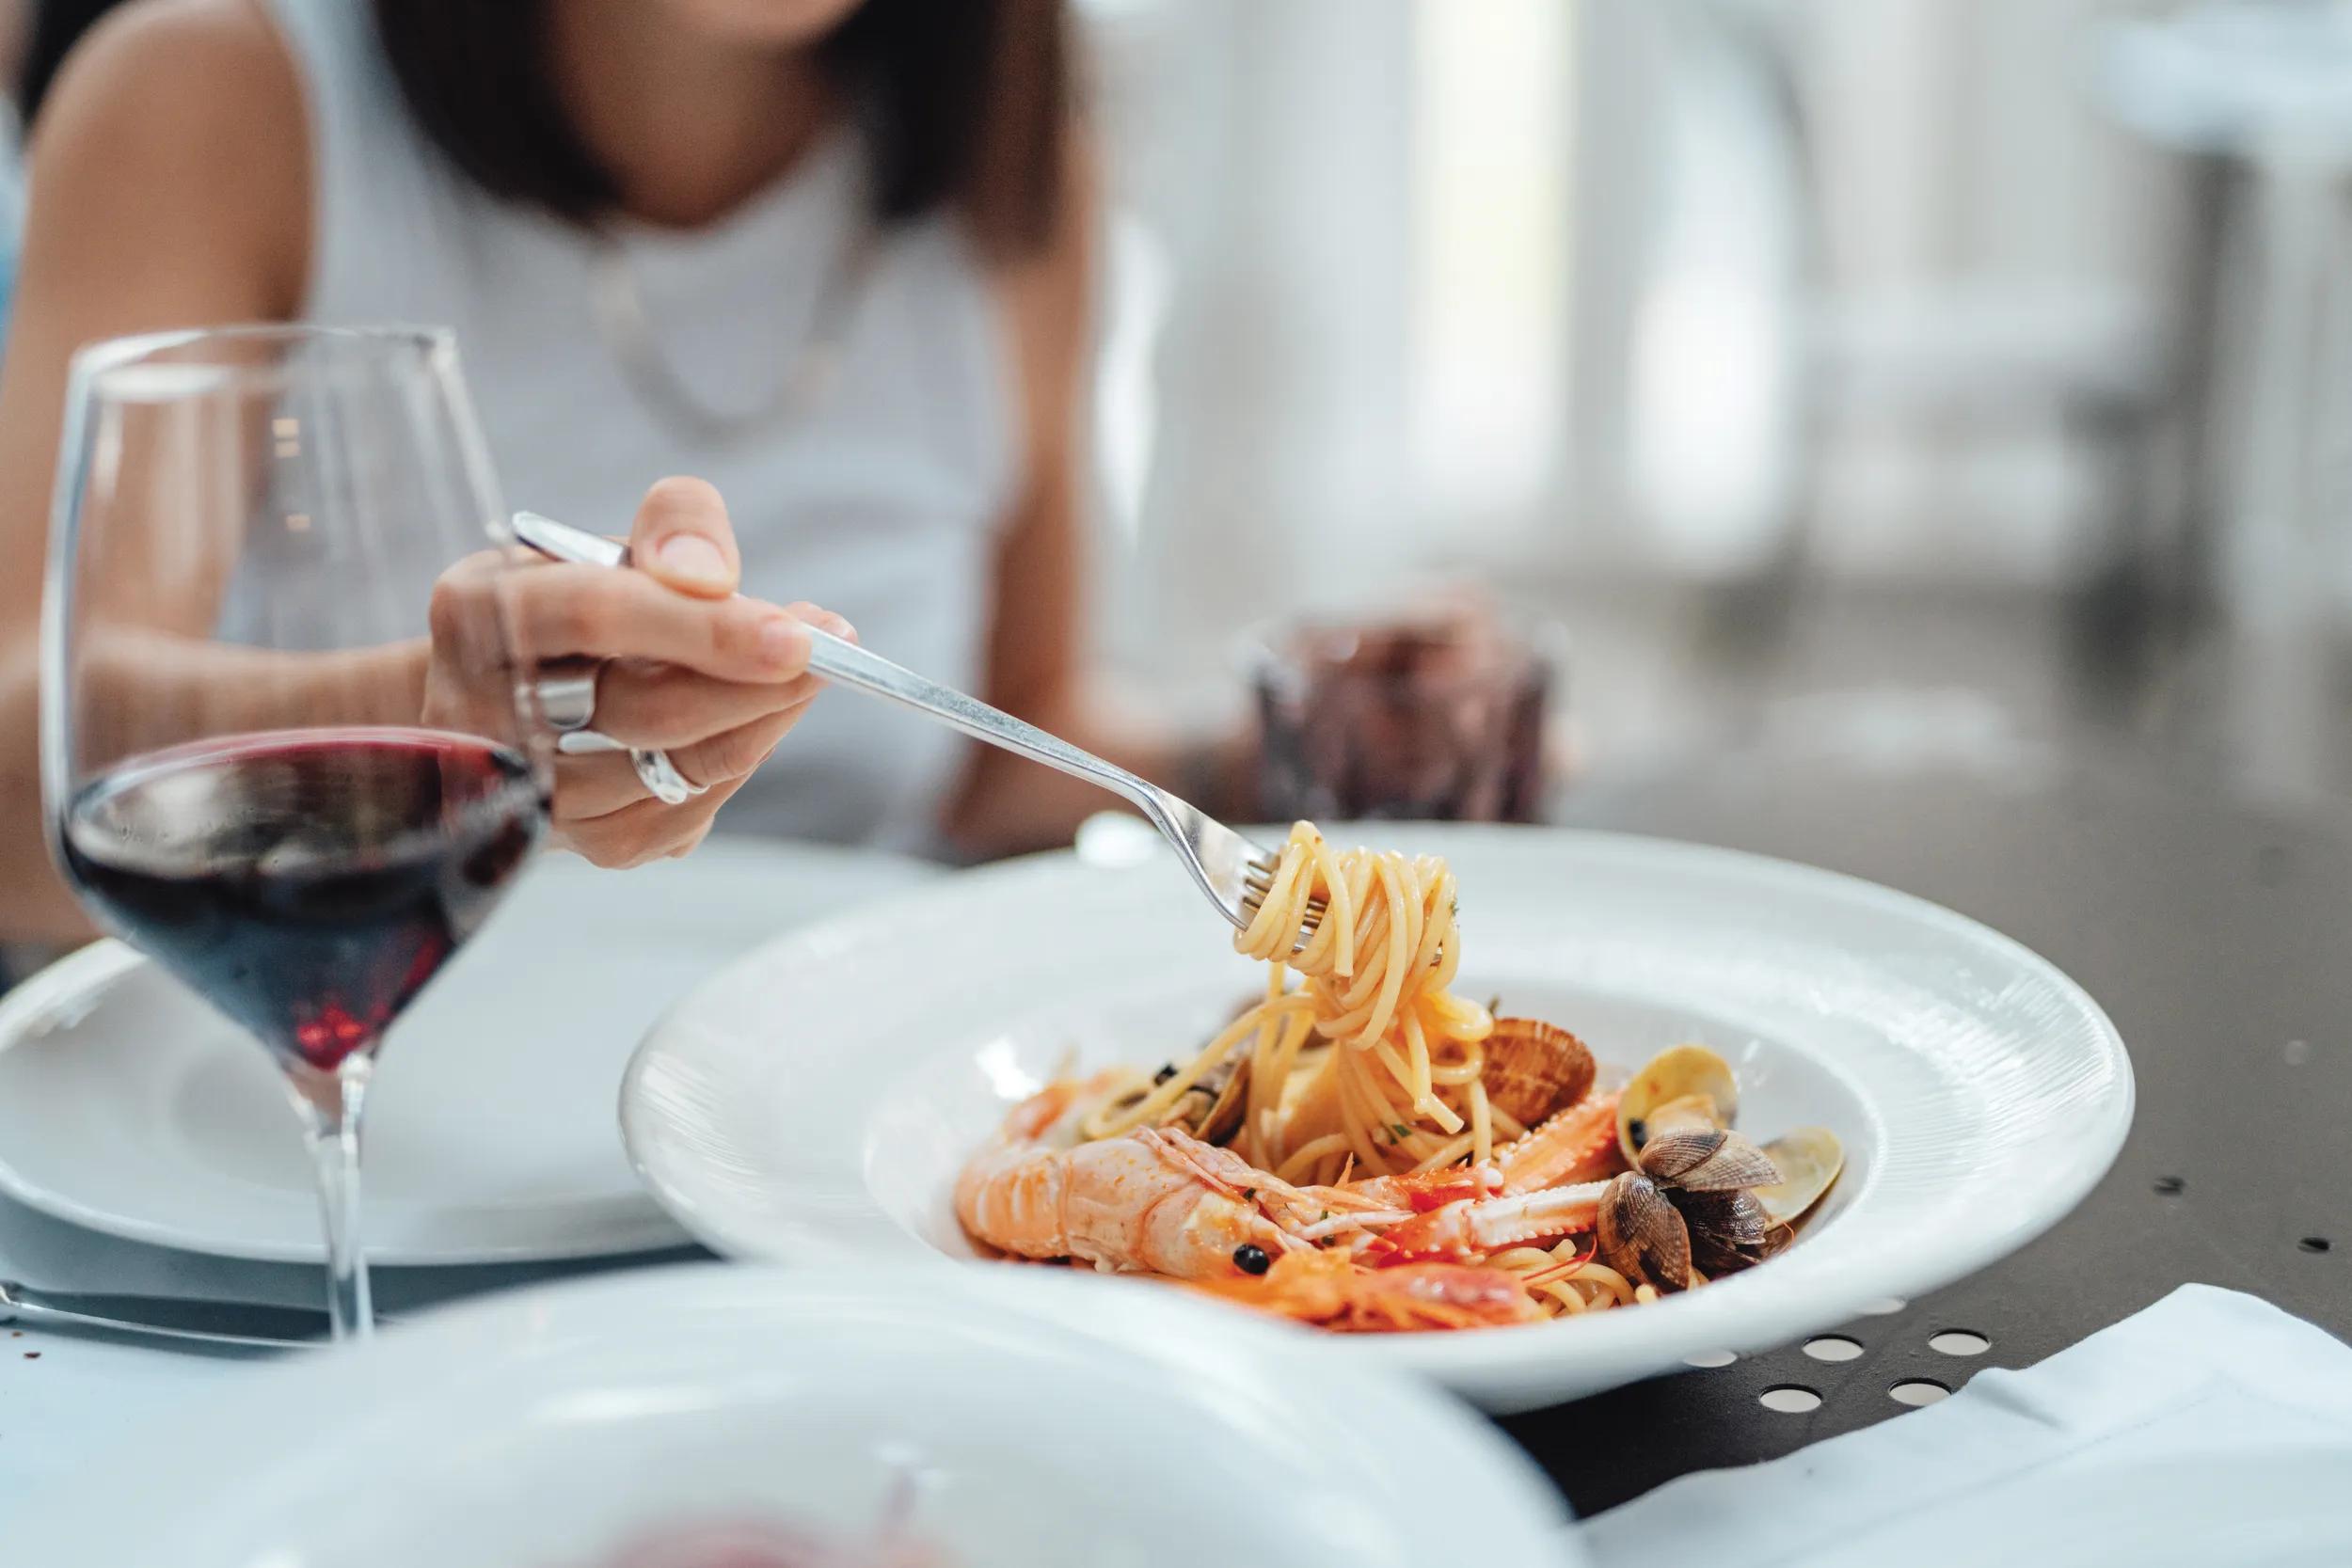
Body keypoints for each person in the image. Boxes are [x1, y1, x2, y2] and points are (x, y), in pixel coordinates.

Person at [0, 0, 1201, 947]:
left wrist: (1288, 755)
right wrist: (433, 733)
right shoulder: (217, 91)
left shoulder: (1004, 160)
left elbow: (1004, 758)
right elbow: (16, 797)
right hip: (342, 1150)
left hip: (847, 1150)